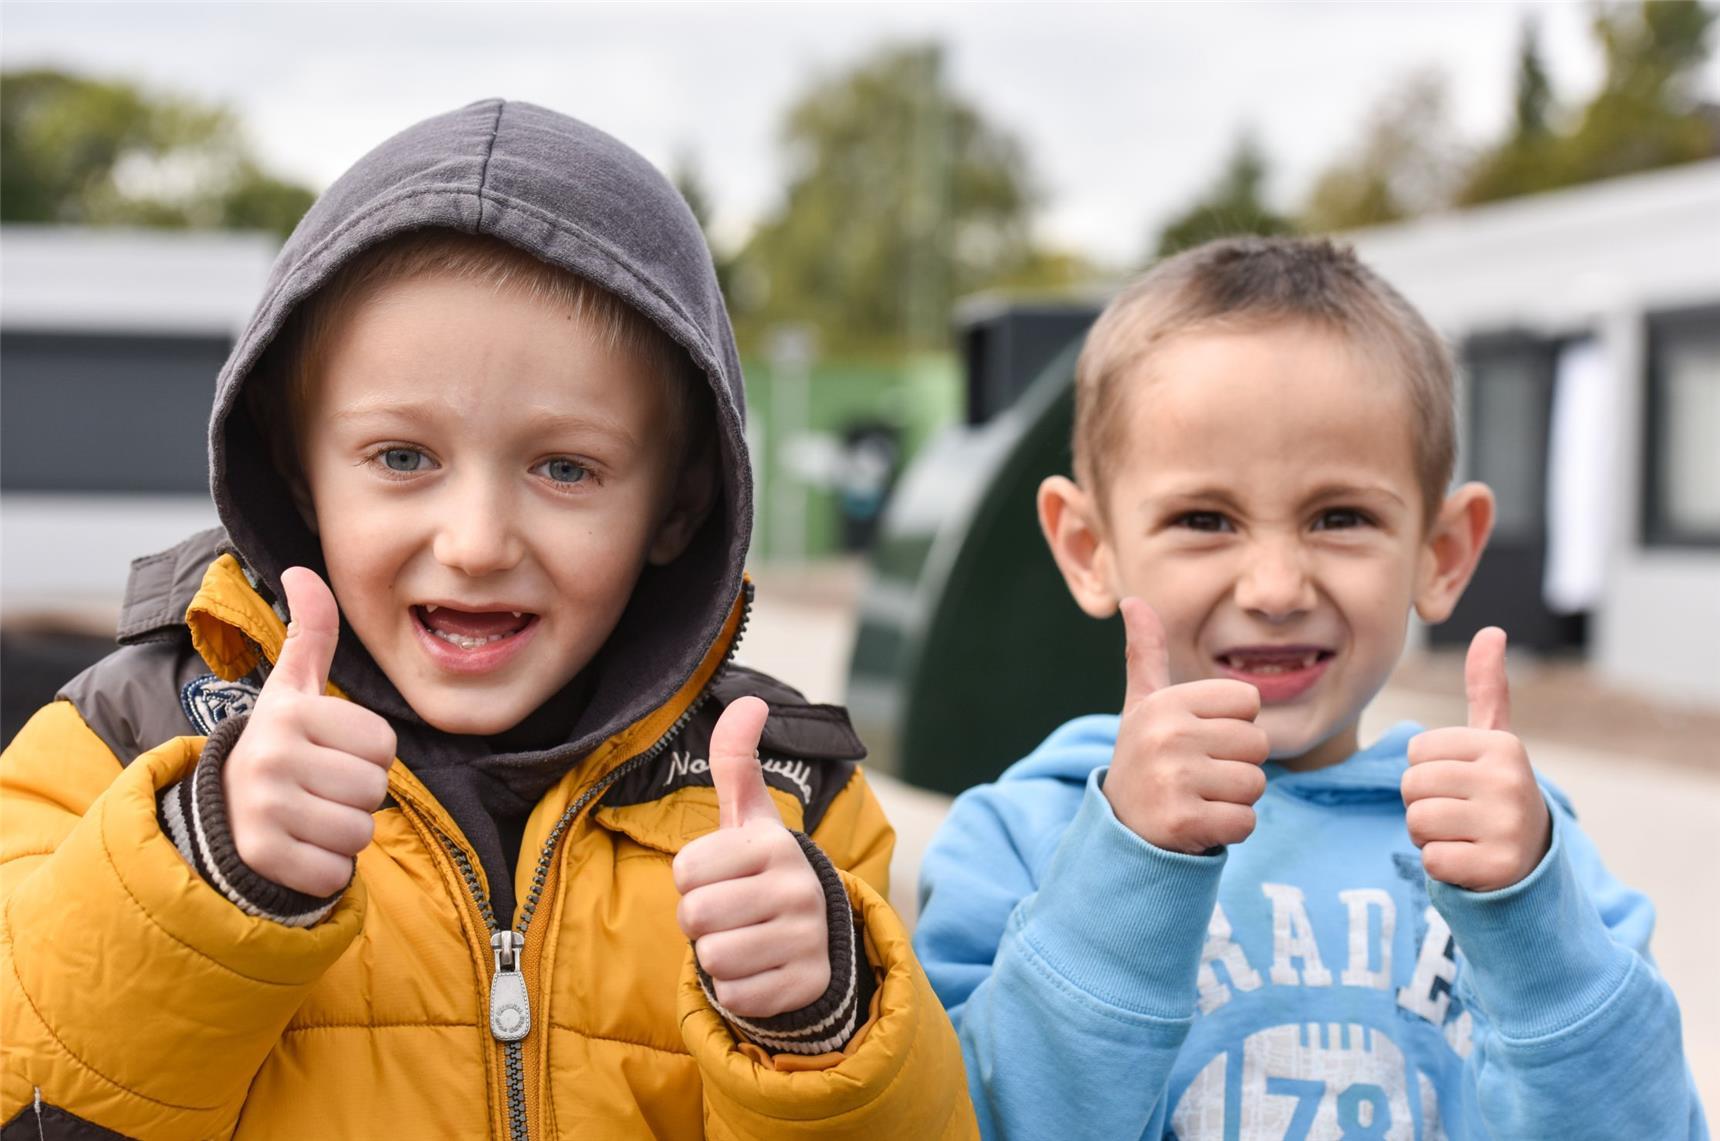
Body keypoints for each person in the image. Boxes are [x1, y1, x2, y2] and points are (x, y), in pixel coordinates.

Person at [1, 100, 973, 1140]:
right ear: (295, 467)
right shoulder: (126, 737)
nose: (474, 541)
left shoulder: (793, 802)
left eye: (564, 468)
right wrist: (200, 868)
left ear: (678, 505)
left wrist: (821, 1027)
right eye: (402, 458)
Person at [912, 236, 1708, 1140]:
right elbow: (988, 1121)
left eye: (1341, 518)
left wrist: (1532, 927)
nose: (1278, 587)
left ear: (1441, 554)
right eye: (1204, 519)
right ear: (1089, 548)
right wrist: (1130, 866)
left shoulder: (1522, 849)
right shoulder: (1021, 838)